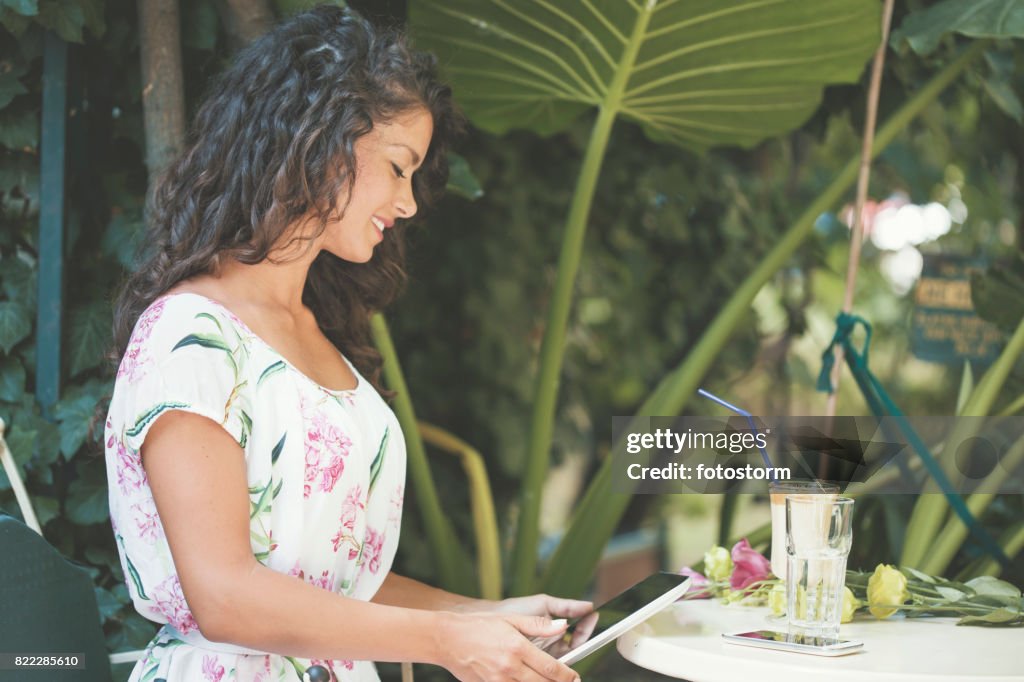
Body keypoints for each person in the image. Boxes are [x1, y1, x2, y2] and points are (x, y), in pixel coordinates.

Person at [104, 6, 593, 681]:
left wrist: (486, 616)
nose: (410, 201)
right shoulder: (191, 340)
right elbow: (224, 597)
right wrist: (447, 644)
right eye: (398, 167)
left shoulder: (319, 334)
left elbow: (330, 583)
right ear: (320, 144)